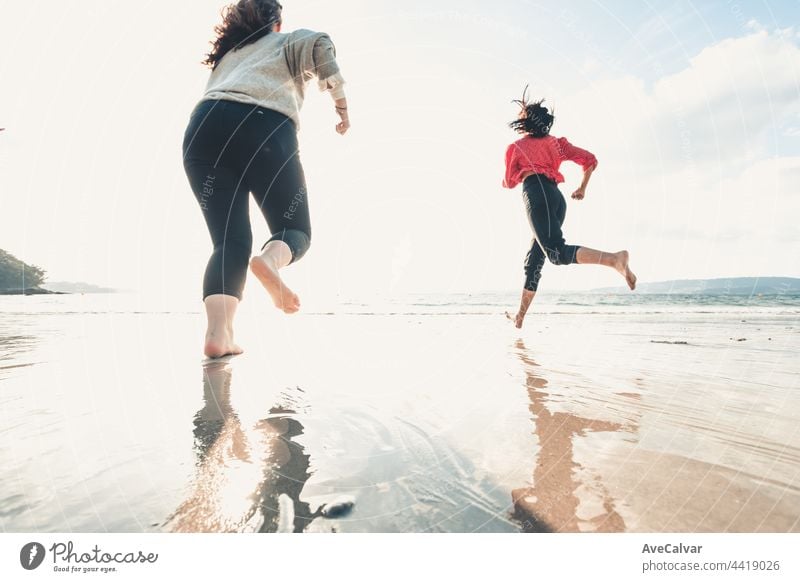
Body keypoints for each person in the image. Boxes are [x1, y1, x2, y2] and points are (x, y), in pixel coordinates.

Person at [182, 0, 350, 357]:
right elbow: (320, 45)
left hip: (203, 128)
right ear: (275, 22)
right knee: (295, 230)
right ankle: (270, 260)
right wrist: (341, 107)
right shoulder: (286, 41)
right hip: (263, 124)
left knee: (229, 242)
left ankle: (218, 335)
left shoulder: (229, 55)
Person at [502, 88, 635, 329]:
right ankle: (520, 316)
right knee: (535, 260)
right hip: (556, 199)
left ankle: (615, 260)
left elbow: (509, 182)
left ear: (525, 122)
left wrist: (515, 174)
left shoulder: (516, 148)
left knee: (555, 253)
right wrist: (582, 188)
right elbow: (590, 160)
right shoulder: (557, 144)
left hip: (536, 193)